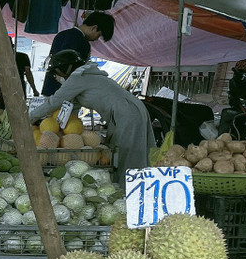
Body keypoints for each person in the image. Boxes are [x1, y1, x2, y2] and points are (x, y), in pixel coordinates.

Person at [29, 49, 154, 177]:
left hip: (126, 112)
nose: (57, 77)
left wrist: (29, 118)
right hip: (130, 109)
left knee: (126, 155)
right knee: (129, 152)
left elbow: (53, 102)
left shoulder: (77, 78)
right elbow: (71, 108)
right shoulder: (85, 76)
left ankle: (127, 186)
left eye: (56, 73)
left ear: (65, 68)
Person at [41, 11, 115, 95]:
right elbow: (68, 67)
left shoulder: (62, 34)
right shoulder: (82, 42)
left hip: (50, 87)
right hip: (64, 92)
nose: (96, 39)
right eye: (99, 35)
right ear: (94, 28)